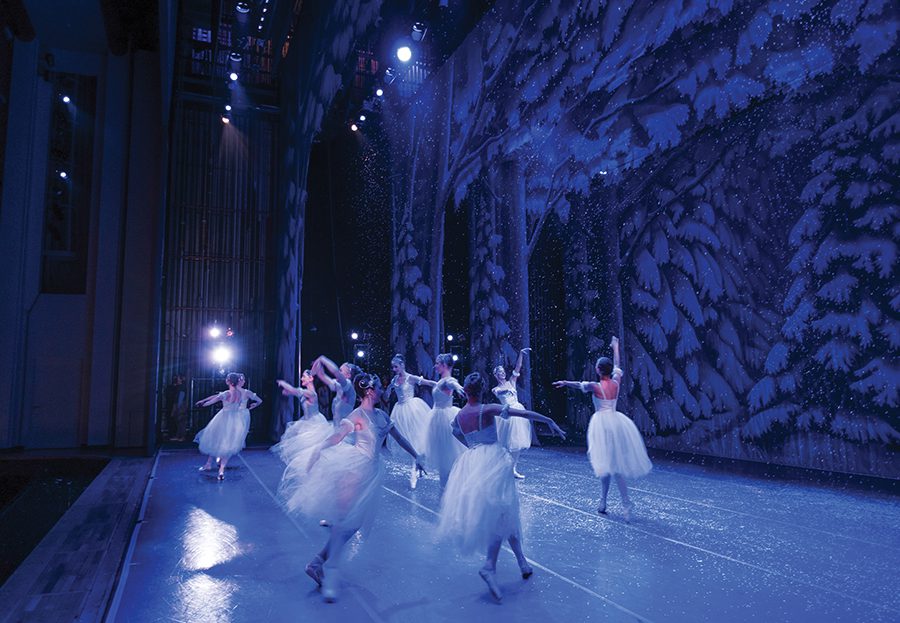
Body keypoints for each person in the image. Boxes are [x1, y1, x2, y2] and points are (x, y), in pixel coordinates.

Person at [278, 373, 426, 602]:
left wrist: (417, 456)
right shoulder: (357, 415)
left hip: (372, 471)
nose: (382, 390)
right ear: (369, 391)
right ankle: (328, 574)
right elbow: (338, 437)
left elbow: (399, 437)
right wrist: (318, 450)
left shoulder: (382, 415)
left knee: (352, 525)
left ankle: (318, 563)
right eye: (379, 386)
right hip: (354, 471)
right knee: (346, 522)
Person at [438, 372, 566, 601]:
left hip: (473, 460)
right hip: (493, 462)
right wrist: (549, 420)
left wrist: (473, 447)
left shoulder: (460, 415)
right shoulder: (486, 409)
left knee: (506, 512)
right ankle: (489, 566)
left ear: (466, 391)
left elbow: (455, 432)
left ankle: (522, 562)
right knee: (502, 513)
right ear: (482, 390)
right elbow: (523, 413)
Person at [554, 336, 651, 521]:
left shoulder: (595, 386)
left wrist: (565, 382)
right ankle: (615, 502)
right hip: (615, 423)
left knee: (607, 466)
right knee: (612, 466)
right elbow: (617, 365)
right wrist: (616, 347)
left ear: (598, 370)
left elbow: (578, 384)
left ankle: (611, 501)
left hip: (602, 426)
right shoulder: (615, 382)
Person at [194, 373, 262, 481]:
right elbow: (218, 397)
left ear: (228, 381)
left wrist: (202, 404)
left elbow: (214, 400)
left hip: (224, 418)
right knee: (227, 445)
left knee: (216, 439)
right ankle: (221, 470)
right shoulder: (240, 393)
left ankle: (209, 463)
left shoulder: (227, 393)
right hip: (235, 420)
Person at [384, 354, 432, 489]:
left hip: (413, 409)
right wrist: (389, 389)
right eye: (392, 367)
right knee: (407, 440)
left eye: (396, 366)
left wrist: (441, 384)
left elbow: (427, 382)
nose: (394, 369)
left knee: (417, 439)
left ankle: (418, 466)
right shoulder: (394, 380)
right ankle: (416, 466)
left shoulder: (410, 378)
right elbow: (387, 397)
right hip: (400, 411)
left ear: (402, 365)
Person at [419, 353, 467, 488]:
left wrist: (458, 388)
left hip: (444, 419)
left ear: (444, 365)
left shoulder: (448, 380)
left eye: (437, 363)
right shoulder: (440, 381)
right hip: (437, 418)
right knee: (443, 455)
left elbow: (452, 383)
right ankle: (445, 486)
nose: (435, 366)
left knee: (448, 454)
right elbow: (431, 383)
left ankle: (449, 486)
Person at [271, 369, 332, 464]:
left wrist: (283, 383)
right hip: (306, 422)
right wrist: (288, 391)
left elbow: (294, 390)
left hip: (315, 424)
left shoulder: (311, 393)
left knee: (312, 450)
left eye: (304, 376)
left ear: (311, 378)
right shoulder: (305, 392)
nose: (301, 378)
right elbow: (291, 392)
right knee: (305, 452)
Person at [492, 347, 532, 478]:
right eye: (499, 373)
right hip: (507, 414)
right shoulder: (496, 388)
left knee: (517, 444)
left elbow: (518, 367)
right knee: (505, 445)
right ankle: (501, 467)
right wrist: (505, 391)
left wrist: (520, 354)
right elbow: (499, 393)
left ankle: (513, 469)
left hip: (518, 411)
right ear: (496, 375)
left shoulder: (511, 382)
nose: (502, 374)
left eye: (503, 372)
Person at [311, 355, 360, 427]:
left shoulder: (349, 386)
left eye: (341, 371)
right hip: (336, 427)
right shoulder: (339, 386)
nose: (339, 373)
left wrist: (322, 359)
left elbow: (335, 372)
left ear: (348, 375)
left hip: (344, 431)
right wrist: (318, 365)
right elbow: (321, 375)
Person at [165, 374, 188, 441]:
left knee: (181, 421)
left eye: (178, 378)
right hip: (178, 404)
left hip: (180, 405)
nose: (176, 379)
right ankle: (178, 436)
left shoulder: (182, 387)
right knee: (178, 421)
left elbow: (181, 397)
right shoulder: (179, 386)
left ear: (180, 379)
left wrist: (178, 406)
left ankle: (182, 436)